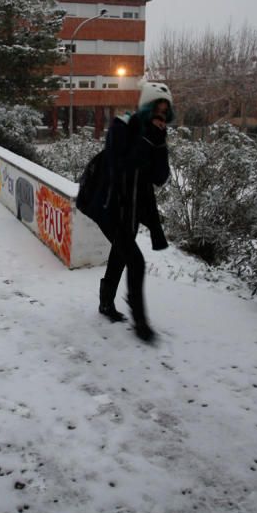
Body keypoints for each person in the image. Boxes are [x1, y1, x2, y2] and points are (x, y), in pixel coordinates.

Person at [83, 80, 173, 342]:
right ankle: (140, 322)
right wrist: (147, 140)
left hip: (133, 212)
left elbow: (159, 177)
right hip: (110, 208)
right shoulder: (122, 126)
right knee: (136, 261)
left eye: (165, 111)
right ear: (146, 106)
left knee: (121, 256)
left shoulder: (156, 137)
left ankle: (105, 303)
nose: (161, 116)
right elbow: (119, 166)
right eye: (157, 109)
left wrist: (160, 144)